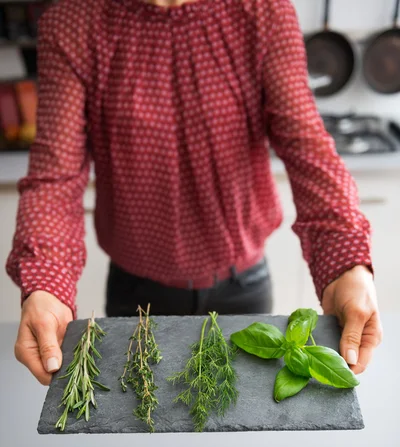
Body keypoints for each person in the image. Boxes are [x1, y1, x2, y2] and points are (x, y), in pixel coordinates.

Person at [6, 0, 382, 386]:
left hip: (243, 283)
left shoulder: (262, 11)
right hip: (136, 291)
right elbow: (55, 174)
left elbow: (306, 145)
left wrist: (345, 260)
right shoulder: (74, 22)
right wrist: (46, 283)